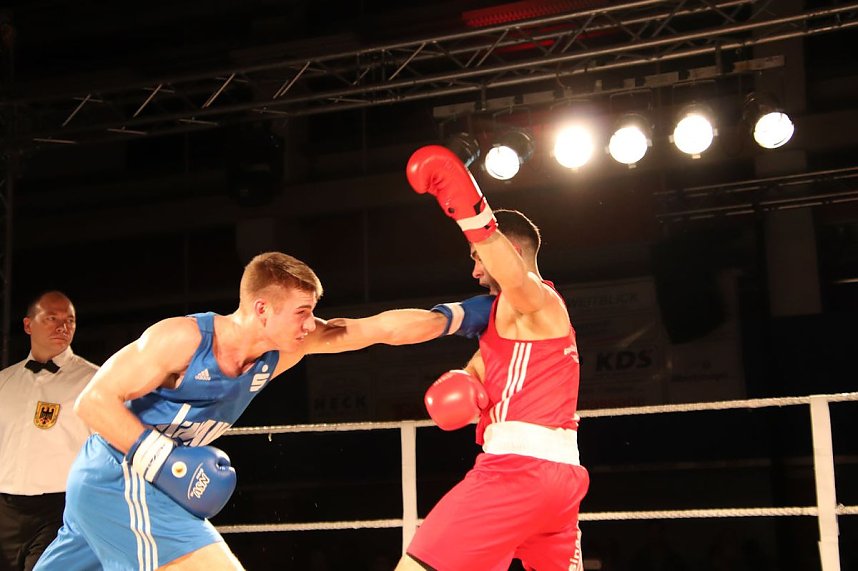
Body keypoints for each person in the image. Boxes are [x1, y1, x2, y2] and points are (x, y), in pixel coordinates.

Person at [35, 251, 494, 571]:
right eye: (302, 312)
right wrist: (164, 460)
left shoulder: (284, 349)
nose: (311, 323)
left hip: (135, 486)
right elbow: (92, 402)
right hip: (120, 475)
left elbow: (373, 330)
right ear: (261, 309)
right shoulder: (181, 340)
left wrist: (462, 316)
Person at [396, 145, 590, 571]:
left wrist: (470, 212)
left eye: (478, 259)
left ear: (510, 254)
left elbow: (515, 277)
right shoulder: (516, 328)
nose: (475, 271)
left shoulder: (535, 299)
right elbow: (482, 372)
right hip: (561, 486)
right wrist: (462, 378)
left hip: (517, 475)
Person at [0, 291, 98, 571]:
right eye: (52, 318)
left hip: (61, 508)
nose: (62, 326)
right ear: (29, 325)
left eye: (70, 320)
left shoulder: (94, 381)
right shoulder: (4, 382)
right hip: (4, 508)